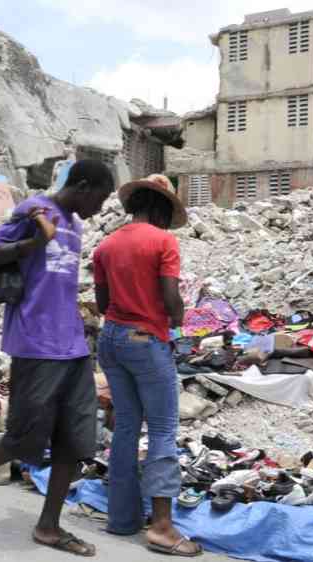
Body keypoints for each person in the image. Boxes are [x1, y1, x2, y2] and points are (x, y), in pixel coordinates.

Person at [0, 159, 114, 557]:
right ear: (81, 185)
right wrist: (34, 242)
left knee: (76, 440)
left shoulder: (75, 225)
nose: (99, 208)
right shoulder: (34, 210)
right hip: (34, 343)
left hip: (73, 345)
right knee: (26, 438)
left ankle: (48, 526)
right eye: (99, 198)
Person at [92, 174, 203, 557]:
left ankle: (121, 519)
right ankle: (161, 527)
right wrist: (176, 318)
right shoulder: (163, 241)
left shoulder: (105, 245)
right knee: (161, 429)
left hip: (111, 338)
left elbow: (102, 303)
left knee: (125, 425)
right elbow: (171, 296)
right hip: (144, 339)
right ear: (160, 208)